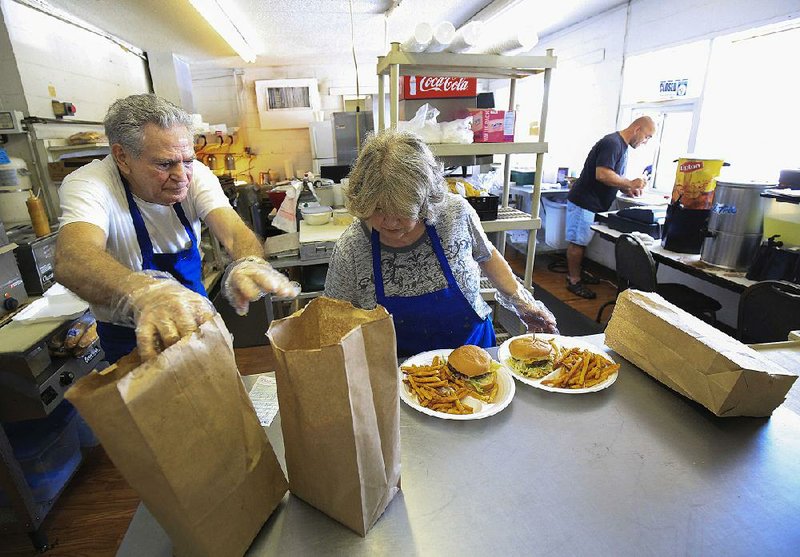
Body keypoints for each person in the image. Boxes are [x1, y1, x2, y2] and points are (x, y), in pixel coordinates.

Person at [54, 94, 298, 363]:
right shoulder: (91, 184)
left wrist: (250, 261)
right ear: (123, 158)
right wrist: (143, 292)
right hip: (132, 339)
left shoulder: (195, 174)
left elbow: (233, 231)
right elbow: (72, 257)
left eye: (188, 160)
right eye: (164, 164)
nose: (181, 175)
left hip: (198, 323)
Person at [324, 129, 558, 357]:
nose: (390, 222)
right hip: (399, 370)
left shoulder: (454, 214)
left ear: (425, 199)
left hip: (475, 351)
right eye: (378, 209)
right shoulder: (352, 249)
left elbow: (486, 255)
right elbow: (334, 321)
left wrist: (522, 303)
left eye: (403, 211)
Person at [565, 116, 657, 299]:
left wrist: (627, 188)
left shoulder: (621, 147)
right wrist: (630, 182)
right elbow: (602, 174)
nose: (645, 142)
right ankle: (573, 280)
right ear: (637, 129)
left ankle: (578, 273)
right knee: (578, 243)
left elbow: (613, 176)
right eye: (647, 137)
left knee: (582, 242)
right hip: (584, 201)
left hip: (594, 203)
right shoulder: (612, 143)